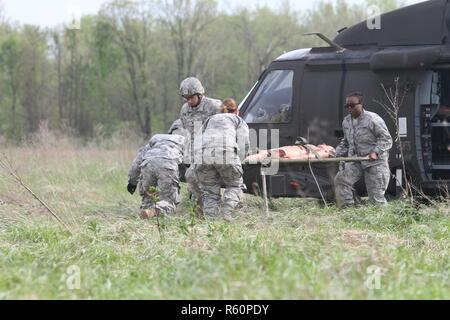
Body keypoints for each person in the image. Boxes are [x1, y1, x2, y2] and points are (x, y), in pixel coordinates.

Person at [334, 92, 393, 207]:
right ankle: (348, 210)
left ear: (361, 104)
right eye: (347, 106)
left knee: (376, 199)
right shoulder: (346, 121)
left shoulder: (373, 119)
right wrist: (335, 153)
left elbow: (386, 139)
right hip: (355, 160)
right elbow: (346, 142)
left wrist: (376, 152)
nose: (349, 108)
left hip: (375, 163)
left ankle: (383, 220)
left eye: (352, 105)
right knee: (341, 180)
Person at [195, 98, 250, 220]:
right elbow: (244, 143)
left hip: (202, 155)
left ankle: (211, 222)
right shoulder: (237, 120)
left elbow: (197, 139)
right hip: (225, 151)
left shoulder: (210, 120)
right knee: (235, 185)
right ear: (237, 111)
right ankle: (227, 213)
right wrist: (239, 161)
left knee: (209, 192)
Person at [179, 77, 222, 203]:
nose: (189, 101)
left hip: (215, 150)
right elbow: (186, 130)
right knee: (191, 177)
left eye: (191, 97)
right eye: (186, 98)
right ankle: (201, 204)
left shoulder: (215, 106)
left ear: (199, 94)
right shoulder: (184, 110)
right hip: (196, 152)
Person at [127, 134, 185, 218]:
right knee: (168, 200)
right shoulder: (184, 141)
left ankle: (147, 215)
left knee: (148, 198)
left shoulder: (154, 141)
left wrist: (132, 182)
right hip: (168, 163)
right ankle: (152, 212)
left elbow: (137, 162)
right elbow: (192, 168)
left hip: (147, 164)